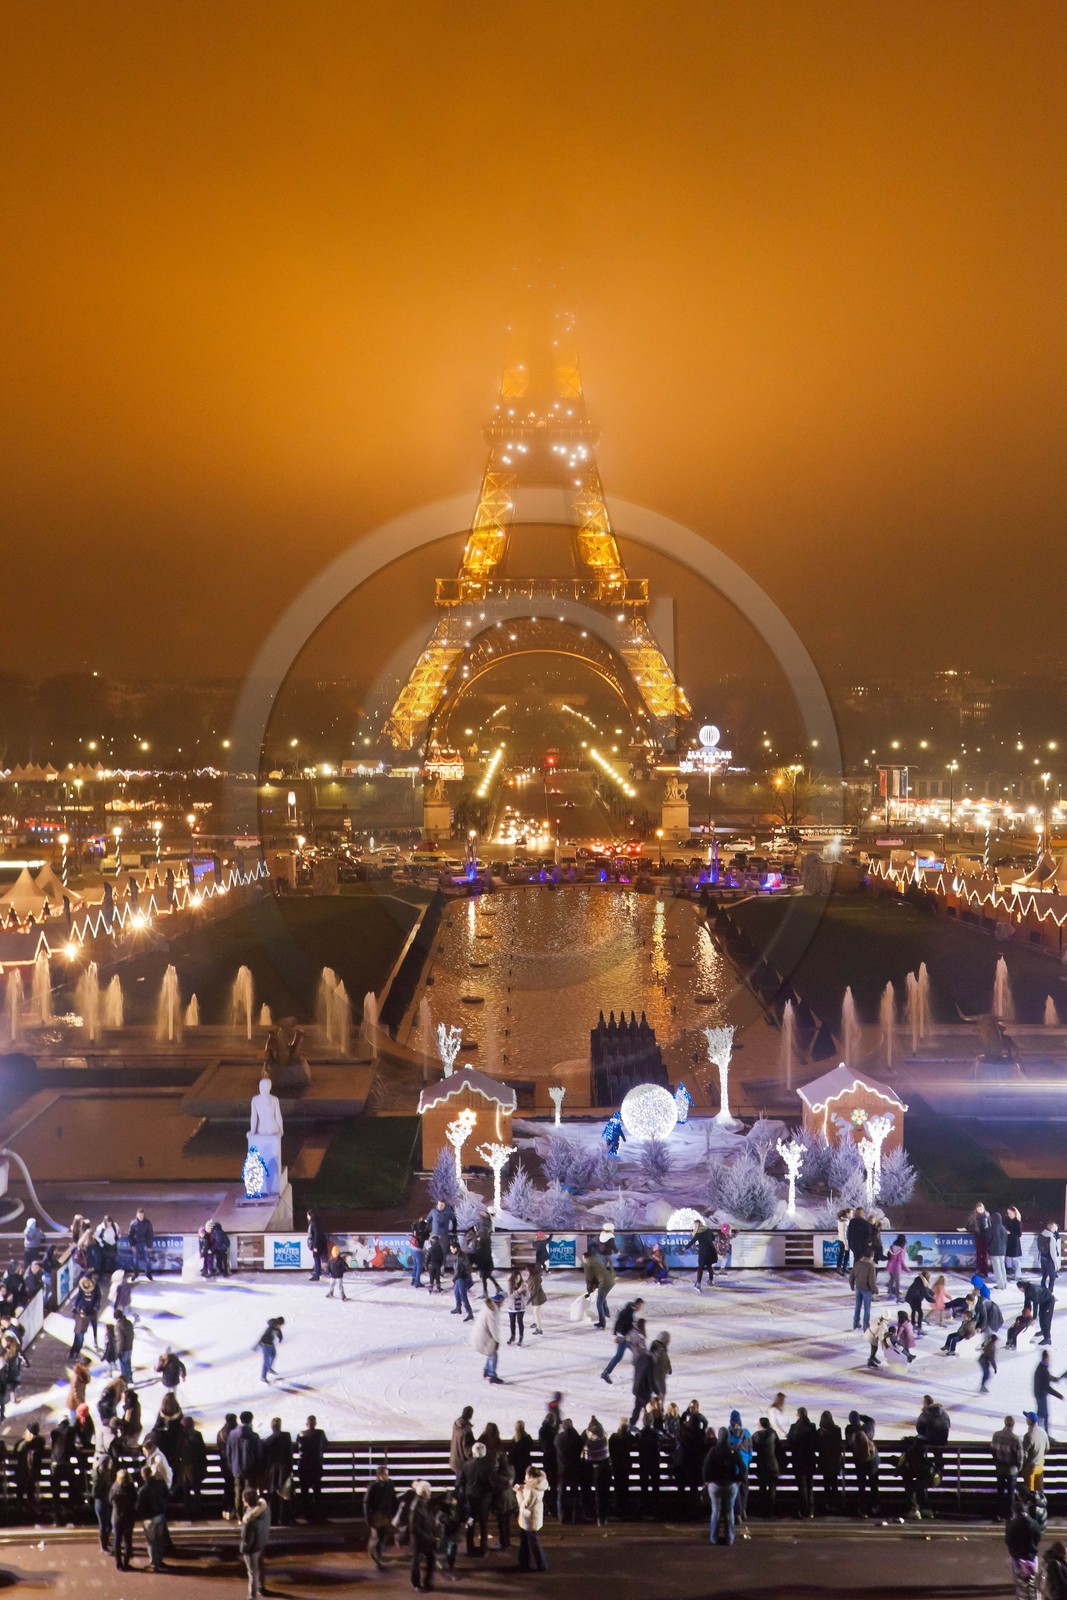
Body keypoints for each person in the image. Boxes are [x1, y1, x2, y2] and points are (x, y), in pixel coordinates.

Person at [1005, 1485, 1048, 1600]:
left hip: (1018, 1554)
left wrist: (1013, 1550)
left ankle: (1021, 1593)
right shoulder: (1034, 1522)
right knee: (1033, 1575)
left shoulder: (1012, 1525)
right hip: (1032, 1552)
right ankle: (1034, 1593)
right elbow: (1037, 1536)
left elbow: (1008, 1540)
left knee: (1019, 1576)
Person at [702, 1425, 743, 1545]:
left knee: (716, 1511)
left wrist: (707, 1480)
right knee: (729, 1511)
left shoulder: (713, 1450)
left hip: (715, 1484)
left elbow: (705, 1467)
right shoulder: (733, 1450)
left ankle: (714, 1538)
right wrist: (738, 1480)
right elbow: (742, 1467)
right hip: (730, 1484)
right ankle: (729, 1538)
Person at [227, 1411, 262, 1521]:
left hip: (237, 1468)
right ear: (251, 1420)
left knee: (238, 1491)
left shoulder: (232, 1434)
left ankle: (239, 1516)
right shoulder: (254, 1436)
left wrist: (232, 1465)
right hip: (250, 1469)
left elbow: (228, 1452)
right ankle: (249, 1515)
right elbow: (259, 1454)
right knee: (250, 1492)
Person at [462, 1440, 495, 1553]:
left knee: (471, 1519)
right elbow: (491, 1482)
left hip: (471, 1496)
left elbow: (462, 1480)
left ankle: (470, 1547)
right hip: (484, 1497)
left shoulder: (467, 1465)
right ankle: (483, 1547)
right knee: (483, 1522)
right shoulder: (489, 1465)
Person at [601, 1297, 643, 1384]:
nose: (640, 1307)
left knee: (637, 1353)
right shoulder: (627, 1312)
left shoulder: (630, 1311)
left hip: (626, 1337)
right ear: (637, 1304)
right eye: (640, 1305)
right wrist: (615, 1335)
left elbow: (625, 1323)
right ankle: (605, 1373)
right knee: (619, 1356)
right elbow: (618, 1323)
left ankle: (639, 1374)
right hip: (623, 1338)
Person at [239, 1485, 271, 1599]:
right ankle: (261, 1587)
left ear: (246, 1500)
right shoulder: (265, 1508)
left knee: (252, 1573)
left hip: (252, 1549)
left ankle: (252, 1597)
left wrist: (242, 1549)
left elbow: (247, 1540)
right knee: (260, 1567)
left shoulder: (249, 1520)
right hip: (261, 1542)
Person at [846, 1410, 879, 1517]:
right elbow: (871, 1420)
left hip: (860, 1461)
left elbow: (849, 1443)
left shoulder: (850, 1431)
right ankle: (875, 1506)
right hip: (873, 1460)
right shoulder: (868, 1427)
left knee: (862, 1485)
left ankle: (863, 1509)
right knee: (873, 1484)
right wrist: (860, 1416)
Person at [364, 1462, 397, 1569]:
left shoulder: (389, 1485)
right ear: (379, 1475)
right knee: (376, 1537)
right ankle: (376, 1559)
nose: (387, 1476)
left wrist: (394, 1513)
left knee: (383, 1535)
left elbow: (393, 1499)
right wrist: (368, 1518)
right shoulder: (373, 1487)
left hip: (386, 1515)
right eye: (385, 1474)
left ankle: (378, 1554)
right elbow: (367, 1503)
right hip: (376, 1516)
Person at [261, 1416, 293, 1526]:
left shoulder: (267, 1441)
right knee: (285, 1495)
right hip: (284, 1469)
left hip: (271, 1470)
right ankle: (285, 1518)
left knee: (272, 1495)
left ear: (272, 1427)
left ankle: (273, 1519)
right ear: (280, 1425)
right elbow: (289, 1454)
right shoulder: (286, 1436)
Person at [137, 1464, 169, 1572]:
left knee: (151, 1541)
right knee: (160, 1540)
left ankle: (154, 1563)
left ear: (143, 1475)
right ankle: (160, 1560)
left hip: (149, 1518)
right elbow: (167, 1496)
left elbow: (139, 1506)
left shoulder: (143, 1490)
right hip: (160, 1514)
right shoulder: (161, 1484)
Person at [991, 1414, 1023, 1521]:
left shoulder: (996, 1435)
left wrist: (997, 1462)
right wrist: (1018, 1468)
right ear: (1014, 1424)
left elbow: (993, 1450)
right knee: (1011, 1493)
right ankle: (1010, 1514)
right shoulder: (1016, 1439)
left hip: (1000, 1468)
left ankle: (999, 1513)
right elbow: (1020, 1457)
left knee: (1000, 1491)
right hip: (1011, 1470)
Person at [176, 1415, 208, 1521]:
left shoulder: (180, 1437)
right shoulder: (197, 1435)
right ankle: (198, 1511)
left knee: (186, 1491)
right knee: (196, 1490)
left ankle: (187, 1512)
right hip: (196, 1466)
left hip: (184, 1467)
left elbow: (177, 1452)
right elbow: (202, 1451)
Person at [898, 1432, 936, 1521]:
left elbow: (907, 1470)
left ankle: (914, 1509)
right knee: (919, 1483)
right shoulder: (923, 1454)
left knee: (909, 1483)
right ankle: (926, 1508)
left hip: (930, 1477)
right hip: (935, 1476)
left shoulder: (913, 1456)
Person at [516, 1465, 548, 1571]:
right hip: (534, 1516)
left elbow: (526, 1504)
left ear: (529, 1476)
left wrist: (519, 1493)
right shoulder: (539, 1484)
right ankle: (524, 1561)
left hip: (529, 1518)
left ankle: (541, 1564)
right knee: (525, 1539)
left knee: (533, 1541)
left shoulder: (532, 1489)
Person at [788, 1407, 818, 1519]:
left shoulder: (794, 1427)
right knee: (809, 1486)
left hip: (798, 1460)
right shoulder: (812, 1426)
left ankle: (803, 1509)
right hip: (809, 1460)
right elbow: (815, 1441)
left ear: (799, 1415)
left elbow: (790, 1440)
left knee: (802, 1487)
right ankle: (811, 1510)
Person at [409, 1479, 438, 1593]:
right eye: (429, 1490)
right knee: (416, 1561)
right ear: (424, 1492)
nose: (430, 1492)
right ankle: (416, 1584)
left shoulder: (423, 1503)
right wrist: (429, 1537)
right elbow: (414, 1527)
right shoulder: (416, 1506)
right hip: (419, 1540)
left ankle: (427, 1582)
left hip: (425, 1537)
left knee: (431, 1559)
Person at [297, 1415, 326, 1522]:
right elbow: (325, 1444)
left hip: (303, 1466)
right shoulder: (320, 1433)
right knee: (317, 1490)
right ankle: (319, 1514)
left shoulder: (300, 1434)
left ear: (306, 1424)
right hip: (315, 1465)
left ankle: (306, 1515)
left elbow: (297, 1446)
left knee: (304, 1491)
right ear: (315, 1423)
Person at [554, 1418, 583, 1523]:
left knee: (561, 1492)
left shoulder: (558, 1438)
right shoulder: (577, 1439)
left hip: (562, 1470)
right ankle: (576, 1516)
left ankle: (562, 1516)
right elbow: (580, 1442)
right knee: (575, 1493)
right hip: (574, 1469)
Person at [472, 1291, 505, 1384]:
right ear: (498, 1302)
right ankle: (492, 1375)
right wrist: (497, 1340)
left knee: (490, 1352)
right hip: (484, 1335)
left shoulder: (489, 1307)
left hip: (482, 1334)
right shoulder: (492, 1311)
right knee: (493, 1354)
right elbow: (493, 1328)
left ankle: (487, 1370)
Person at [916, 1396, 951, 1481]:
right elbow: (948, 1424)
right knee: (938, 1451)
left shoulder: (925, 1414)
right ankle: (939, 1469)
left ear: (926, 1403)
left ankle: (924, 1470)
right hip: (943, 1440)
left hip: (930, 1440)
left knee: (917, 1443)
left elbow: (919, 1429)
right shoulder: (944, 1412)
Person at [109, 1466, 137, 1571]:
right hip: (128, 1516)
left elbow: (110, 1500)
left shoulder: (114, 1487)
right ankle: (126, 1562)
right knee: (128, 1540)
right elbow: (135, 1500)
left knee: (117, 1541)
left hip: (117, 1517)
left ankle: (119, 1564)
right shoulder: (131, 1489)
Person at [751, 1416, 778, 1518]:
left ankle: (762, 1510)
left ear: (761, 1425)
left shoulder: (756, 1436)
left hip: (761, 1465)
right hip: (772, 1464)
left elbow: (750, 1446)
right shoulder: (773, 1435)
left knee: (762, 1487)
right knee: (772, 1488)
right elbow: (779, 1450)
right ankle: (770, 1511)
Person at [681, 1219, 718, 1293]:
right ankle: (710, 1281)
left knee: (701, 1267)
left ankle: (698, 1284)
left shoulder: (699, 1233)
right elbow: (713, 1238)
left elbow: (693, 1241)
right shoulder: (708, 1229)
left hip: (704, 1252)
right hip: (711, 1250)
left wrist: (685, 1247)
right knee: (709, 1266)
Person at [608, 1419, 633, 1519]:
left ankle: (618, 1507)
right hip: (626, 1465)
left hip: (616, 1465)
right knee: (625, 1486)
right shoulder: (629, 1437)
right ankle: (624, 1508)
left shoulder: (614, 1437)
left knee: (618, 1486)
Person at [1034, 1350, 1063, 1433]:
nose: (1050, 1359)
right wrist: (1060, 1396)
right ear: (1046, 1358)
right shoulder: (1043, 1369)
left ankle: (1042, 1432)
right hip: (1041, 1395)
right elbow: (1047, 1387)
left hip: (1039, 1393)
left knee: (1042, 1414)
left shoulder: (1041, 1366)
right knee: (1042, 1415)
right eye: (1049, 1358)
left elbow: (1046, 1377)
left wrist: (1054, 1379)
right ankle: (1041, 1433)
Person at [852, 1249, 877, 1333]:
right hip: (867, 1290)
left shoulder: (857, 1264)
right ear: (870, 1257)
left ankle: (856, 1323)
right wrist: (876, 1290)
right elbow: (872, 1281)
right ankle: (866, 1327)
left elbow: (851, 1276)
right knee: (867, 1309)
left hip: (858, 1288)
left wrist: (852, 1285)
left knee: (857, 1306)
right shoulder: (870, 1266)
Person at [128, 1208, 154, 1282]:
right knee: (135, 1259)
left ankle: (148, 1274)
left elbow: (150, 1235)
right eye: (139, 1215)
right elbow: (130, 1235)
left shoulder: (147, 1223)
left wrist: (149, 1245)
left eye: (142, 1215)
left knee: (148, 1259)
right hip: (135, 1243)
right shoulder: (133, 1223)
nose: (141, 1217)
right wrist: (132, 1245)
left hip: (144, 1243)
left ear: (144, 1215)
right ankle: (136, 1274)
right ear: (137, 1215)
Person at [905, 1269, 934, 1335]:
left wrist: (932, 1293)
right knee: (920, 1313)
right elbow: (926, 1294)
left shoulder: (919, 1280)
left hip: (910, 1297)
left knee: (913, 1310)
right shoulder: (923, 1283)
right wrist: (933, 1300)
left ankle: (913, 1324)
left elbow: (927, 1290)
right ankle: (919, 1328)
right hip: (915, 1299)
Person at [256, 1316, 284, 1383]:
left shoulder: (277, 1327)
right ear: (278, 1323)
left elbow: (279, 1332)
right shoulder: (270, 1329)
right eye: (281, 1325)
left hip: (271, 1344)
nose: (281, 1326)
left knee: (273, 1355)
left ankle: (269, 1368)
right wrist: (257, 1344)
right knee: (266, 1361)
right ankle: (263, 1377)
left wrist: (280, 1338)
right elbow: (263, 1336)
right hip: (265, 1345)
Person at [968, 1201, 991, 1276]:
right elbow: (969, 1223)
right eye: (978, 1209)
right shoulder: (974, 1215)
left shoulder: (987, 1215)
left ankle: (985, 1270)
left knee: (985, 1254)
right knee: (978, 1253)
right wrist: (965, 1228)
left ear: (983, 1208)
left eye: (981, 1209)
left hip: (985, 1236)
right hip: (978, 1236)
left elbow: (990, 1224)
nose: (980, 1210)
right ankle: (978, 1269)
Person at [987, 1209, 1008, 1290]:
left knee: (997, 1269)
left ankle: (1000, 1285)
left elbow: (988, 1240)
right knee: (1002, 1267)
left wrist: (988, 1248)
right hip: (1002, 1251)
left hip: (994, 1251)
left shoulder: (991, 1229)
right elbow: (1006, 1239)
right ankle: (1004, 1283)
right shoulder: (1003, 1228)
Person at [408, 1213, 429, 1289]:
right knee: (419, 1267)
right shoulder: (422, 1233)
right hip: (418, 1251)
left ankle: (413, 1279)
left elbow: (412, 1225)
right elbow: (427, 1237)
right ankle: (417, 1282)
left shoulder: (415, 1229)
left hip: (412, 1249)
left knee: (415, 1265)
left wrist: (417, 1222)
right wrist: (426, 1230)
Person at [307, 1210, 329, 1282]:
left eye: (308, 1215)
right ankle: (317, 1272)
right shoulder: (317, 1223)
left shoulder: (314, 1224)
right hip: (319, 1244)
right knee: (317, 1258)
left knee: (316, 1258)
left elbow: (317, 1235)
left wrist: (315, 1246)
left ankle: (317, 1274)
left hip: (317, 1245)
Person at [507, 1270, 527, 1345]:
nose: (518, 1279)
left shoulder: (523, 1284)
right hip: (512, 1307)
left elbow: (527, 1296)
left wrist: (525, 1291)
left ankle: (521, 1337)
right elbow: (510, 1296)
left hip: (520, 1307)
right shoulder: (510, 1284)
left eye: (519, 1278)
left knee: (520, 1322)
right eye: (516, 1278)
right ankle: (512, 1336)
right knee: (512, 1322)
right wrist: (518, 1291)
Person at [1039, 1221, 1060, 1291]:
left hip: (1042, 1257)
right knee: (1052, 1277)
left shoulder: (1042, 1234)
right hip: (1049, 1259)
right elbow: (1053, 1252)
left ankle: (1042, 1289)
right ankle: (1049, 1292)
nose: (1056, 1228)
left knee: (1044, 1275)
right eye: (1055, 1227)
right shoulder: (1051, 1238)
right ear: (1051, 1228)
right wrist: (1056, 1263)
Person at [886, 1235, 907, 1302]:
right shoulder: (901, 1250)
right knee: (897, 1283)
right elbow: (901, 1261)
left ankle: (890, 1294)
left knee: (891, 1280)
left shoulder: (892, 1247)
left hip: (890, 1266)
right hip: (897, 1267)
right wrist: (907, 1269)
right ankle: (898, 1298)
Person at [1005, 1206, 1024, 1281]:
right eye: (1008, 1213)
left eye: (1010, 1213)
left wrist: (1010, 1233)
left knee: (1016, 1261)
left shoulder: (1017, 1221)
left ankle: (1018, 1275)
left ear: (1014, 1213)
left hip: (1015, 1244)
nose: (1009, 1214)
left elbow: (1019, 1234)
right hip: (1008, 1243)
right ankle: (1009, 1274)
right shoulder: (1007, 1220)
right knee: (1008, 1260)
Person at [835, 1208, 852, 1275]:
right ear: (847, 1214)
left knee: (842, 1254)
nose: (851, 1214)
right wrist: (846, 1244)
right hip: (844, 1240)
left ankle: (843, 1267)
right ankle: (841, 1268)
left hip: (841, 1239)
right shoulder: (845, 1222)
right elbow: (844, 1234)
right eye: (851, 1213)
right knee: (843, 1253)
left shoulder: (842, 1221)